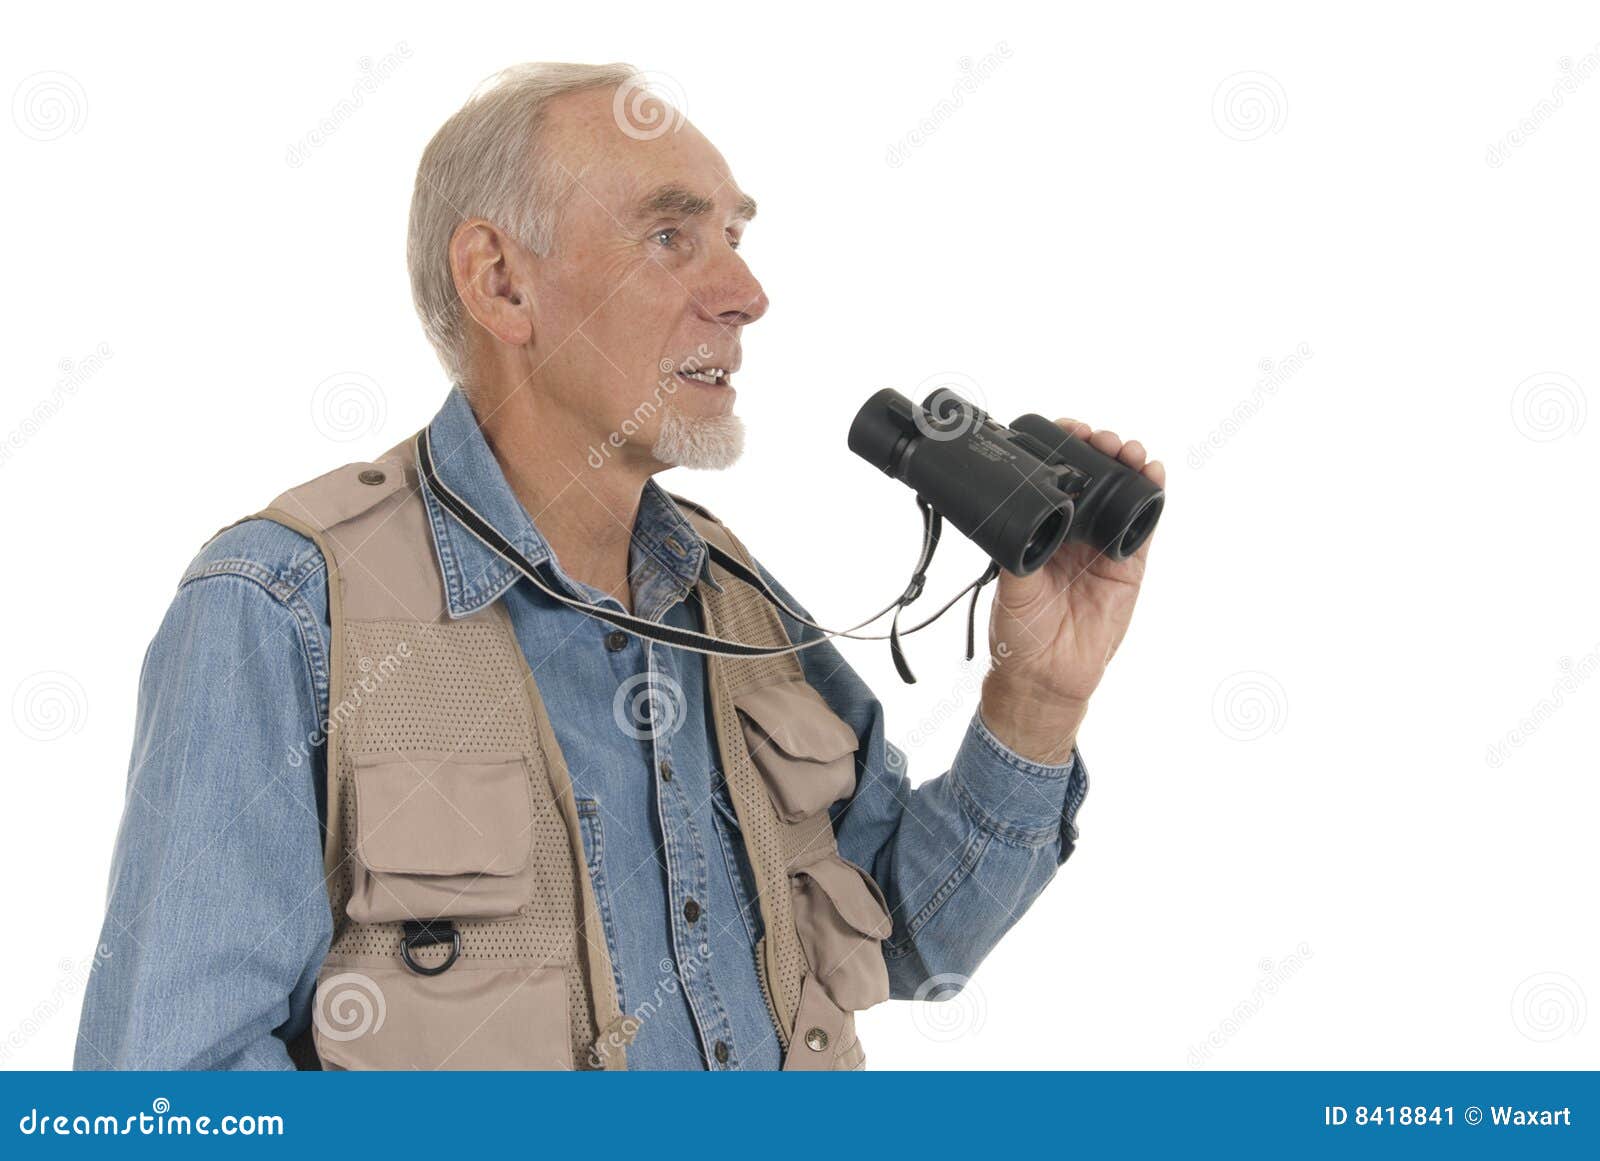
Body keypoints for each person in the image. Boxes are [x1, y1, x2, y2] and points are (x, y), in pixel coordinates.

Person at [75, 62, 1163, 1070]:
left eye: (734, 234)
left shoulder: (726, 599)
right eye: (669, 237)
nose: (745, 291)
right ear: (501, 284)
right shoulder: (283, 608)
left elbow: (912, 936)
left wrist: (1037, 697)